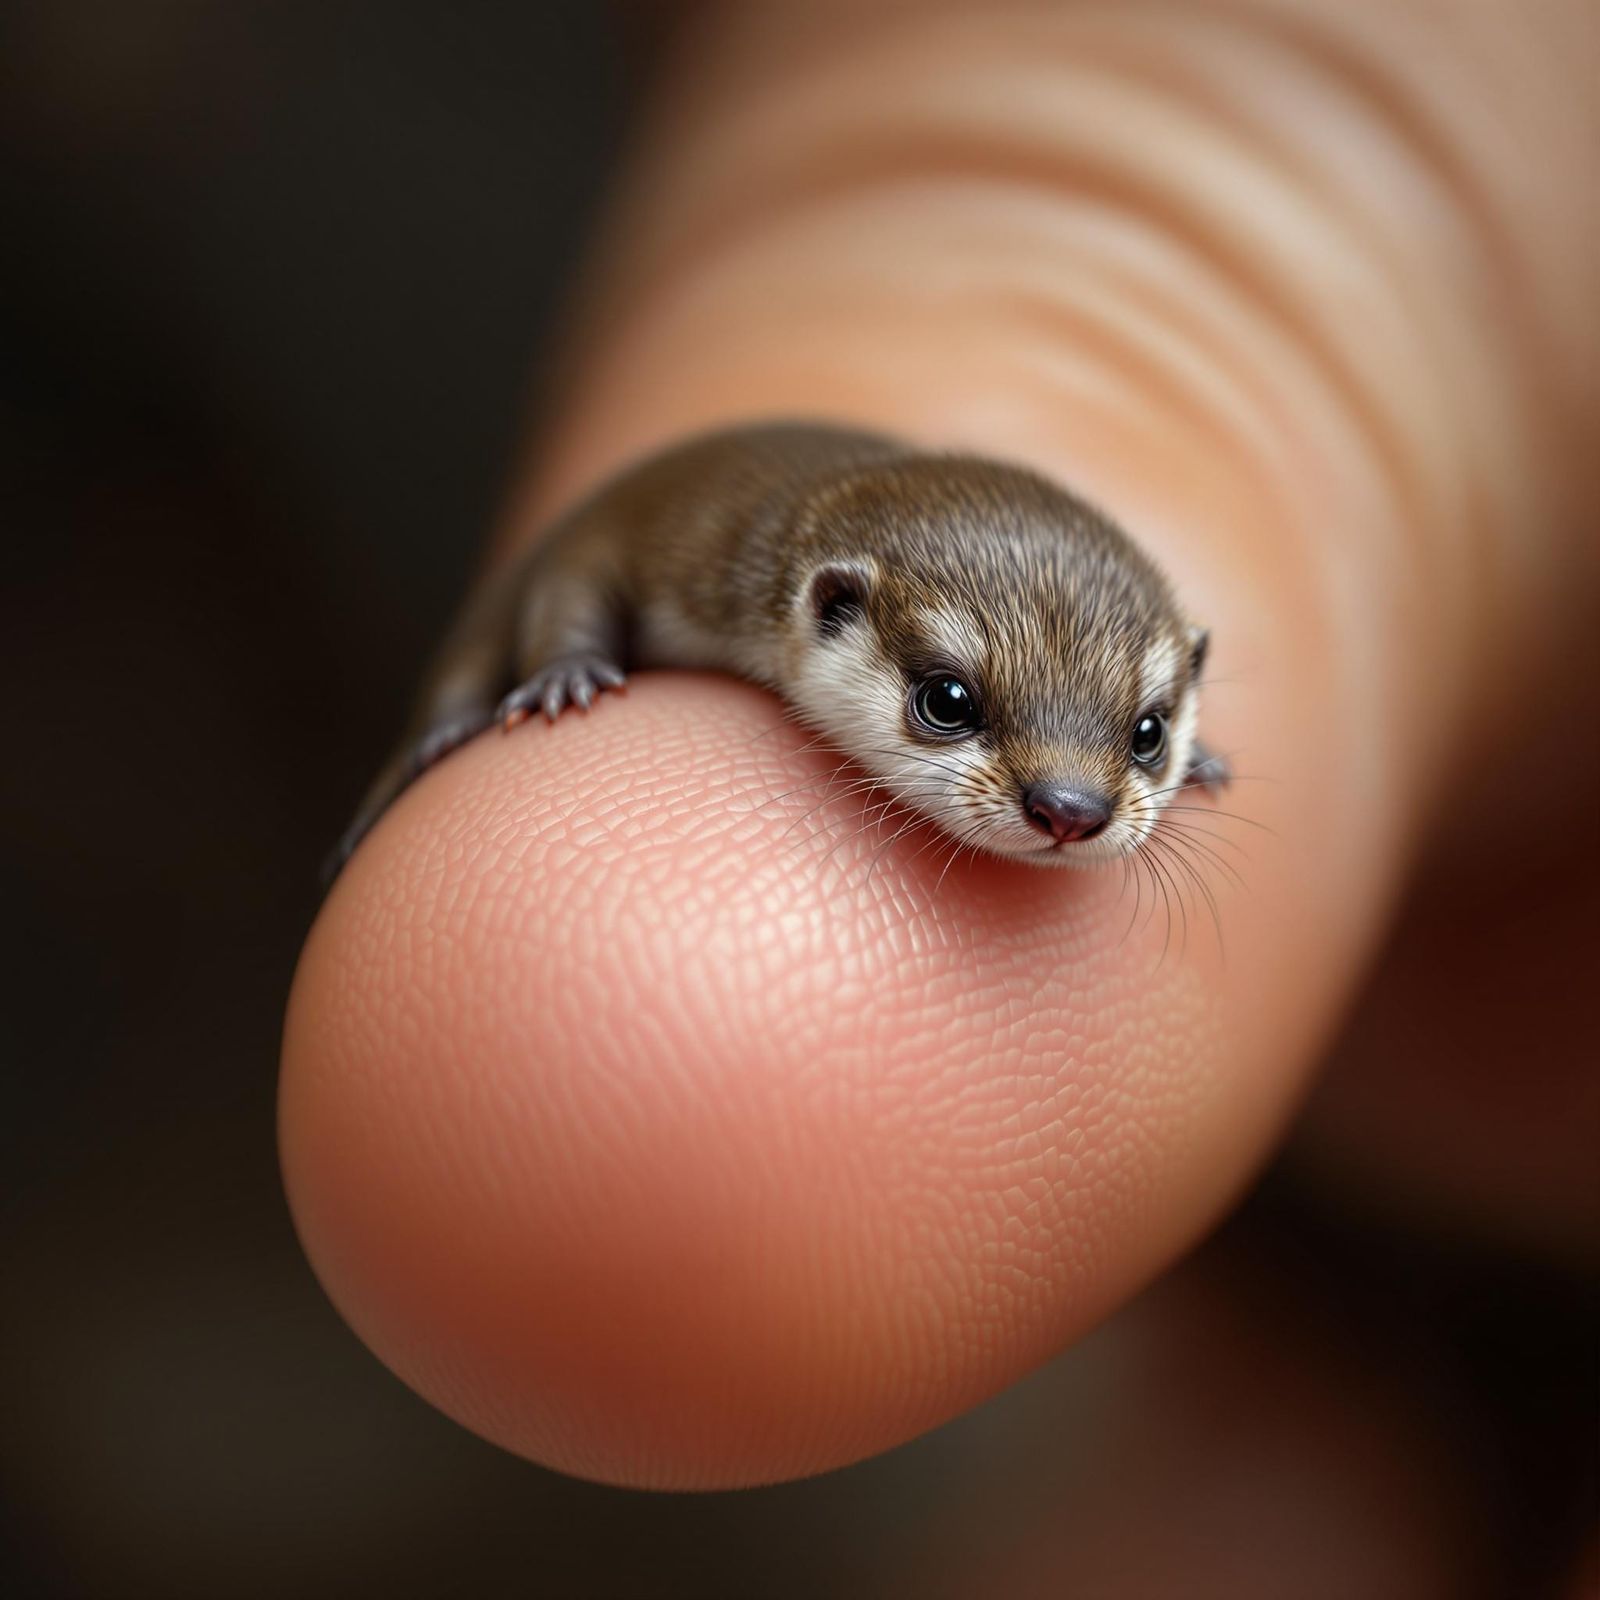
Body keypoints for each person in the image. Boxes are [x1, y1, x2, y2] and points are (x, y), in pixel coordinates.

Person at [281, 1, 1596, 1584]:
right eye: (960, 714)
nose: (1063, 808)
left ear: (1184, 687)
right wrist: (559, 673)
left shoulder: (1109, 745)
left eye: (1139, 754)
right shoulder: (729, 568)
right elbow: (586, 561)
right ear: (831, 622)